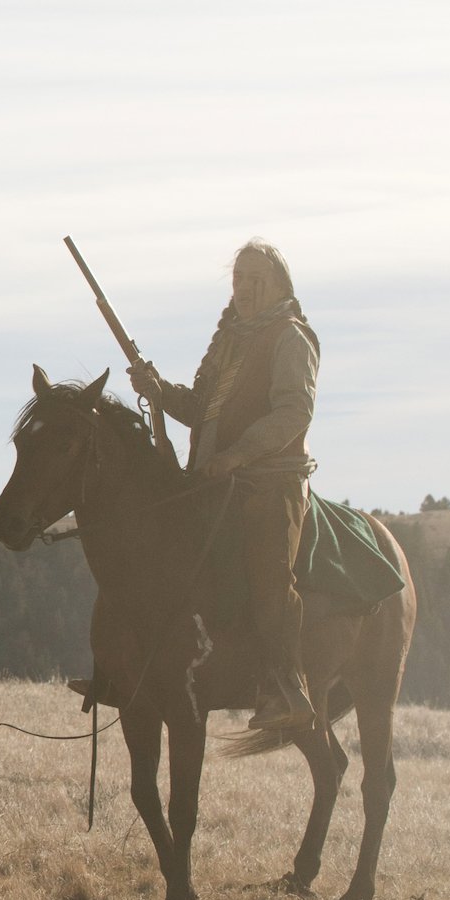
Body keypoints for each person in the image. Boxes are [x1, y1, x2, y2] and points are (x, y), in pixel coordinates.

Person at [130, 240, 320, 731]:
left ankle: (284, 684)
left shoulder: (291, 336)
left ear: (279, 283)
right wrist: (158, 390)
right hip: (212, 482)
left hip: (268, 485)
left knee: (267, 565)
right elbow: (200, 409)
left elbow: (294, 411)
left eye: (255, 278)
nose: (244, 288)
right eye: (237, 278)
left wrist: (238, 454)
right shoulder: (229, 342)